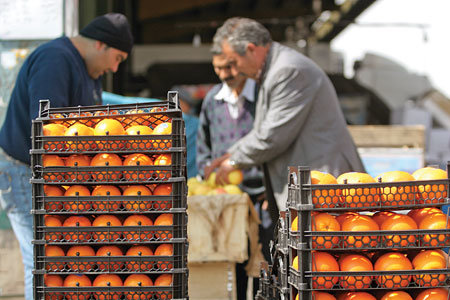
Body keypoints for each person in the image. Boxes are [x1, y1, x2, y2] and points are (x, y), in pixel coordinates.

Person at [0, 13, 133, 300]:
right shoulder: (55, 60)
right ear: (100, 44)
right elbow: (49, 128)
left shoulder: (89, 70)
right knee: (42, 260)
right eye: (118, 58)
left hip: (56, 174)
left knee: (61, 259)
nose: (114, 68)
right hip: (24, 170)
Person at [207, 17, 365, 217]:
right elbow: (266, 131)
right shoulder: (274, 69)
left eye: (235, 62)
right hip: (312, 187)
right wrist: (229, 155)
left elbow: (273, 135)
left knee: (328, 246)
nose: (235, 71)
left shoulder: (288, 70)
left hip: (324, 184)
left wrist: (234, 161)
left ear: (251, 49)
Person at [197, 53, 273, 300]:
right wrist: (207, 175)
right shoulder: (212, 101)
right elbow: (203, 146)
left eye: (229, 67)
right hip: (227, 199)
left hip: (262, 195)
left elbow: (273, 142)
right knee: (233, 261)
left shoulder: (262, 96)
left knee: (266, 261)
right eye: (218, 68)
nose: (224, 74)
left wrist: (272, 191)